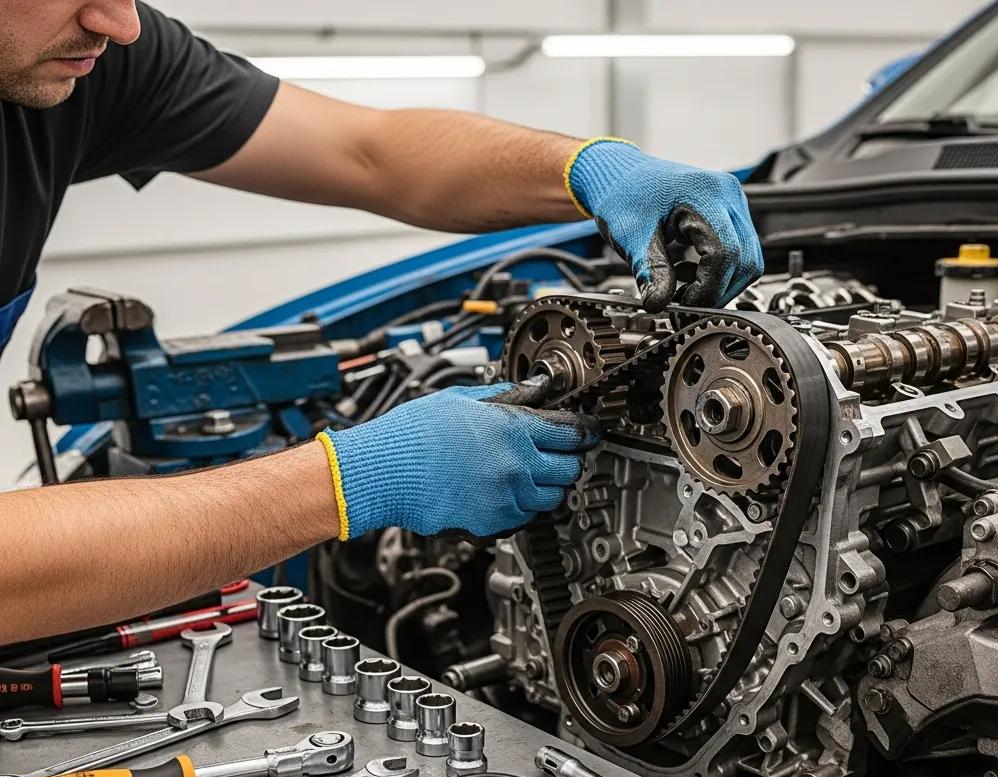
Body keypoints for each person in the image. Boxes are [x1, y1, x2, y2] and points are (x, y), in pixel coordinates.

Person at [0, 1, 763, 643]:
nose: (121, 23)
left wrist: (592, 168)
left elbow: (367, 152)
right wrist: (349, 479)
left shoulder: (85, 51)